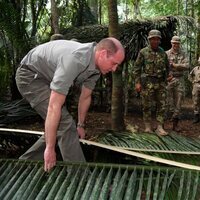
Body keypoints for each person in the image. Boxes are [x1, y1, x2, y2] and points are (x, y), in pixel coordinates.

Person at [15, 37, 125, 172]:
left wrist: (80, 125)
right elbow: (53, 107)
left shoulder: (96, 67)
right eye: (114, 63)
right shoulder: (75, 59)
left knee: (60, 126)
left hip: (46, 79)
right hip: (30, 77)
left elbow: (85, 97)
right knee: (64, 123)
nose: (114, 69)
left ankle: (24, 165)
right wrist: (50, 148)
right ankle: (81, 180)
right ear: (102, 54)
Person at [134, 29, 169, 136]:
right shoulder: (143, 52)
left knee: (161, 105)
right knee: (146, 105)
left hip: (160, 83)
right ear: (149, 40)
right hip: (147, 83)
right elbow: (136, 68)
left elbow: (167, 67)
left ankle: (159, 127)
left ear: (159, 40)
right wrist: (137, 82)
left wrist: (168, 76)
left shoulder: (163, 52)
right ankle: (148, 126)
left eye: (157, 39)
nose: (155, 41)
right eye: (153, 39)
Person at [166, 36, 189, 131]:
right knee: (168, 101)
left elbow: (187, 66)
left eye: (177, 43)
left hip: (179, 79)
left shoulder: (184, 54)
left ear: (179, 44)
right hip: (169, 79)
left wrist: (174, 65)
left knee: (178, 103)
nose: (175, 45)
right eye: (174, 43)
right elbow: (163, 66)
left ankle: (175, 125)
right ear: (171, 43)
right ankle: (165, 122)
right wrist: (168, 75)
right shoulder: (166, 53)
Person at [188, 57, 200, 123]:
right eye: (199, 61)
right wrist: (192, 81)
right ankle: (196, 116)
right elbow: (189, 75)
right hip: (196, 85)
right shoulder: (195, 69)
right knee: (195, 101)